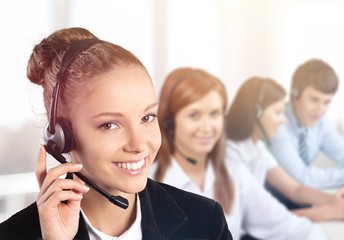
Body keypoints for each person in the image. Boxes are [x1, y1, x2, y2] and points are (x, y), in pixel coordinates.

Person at [0, 27, 232, 239]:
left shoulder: (205, 221)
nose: (139, 144)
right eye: (110, 125)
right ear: (61, 136)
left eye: (147, 118)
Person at [150, 67, 327, 240]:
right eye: (194, 115)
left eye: (214, 114)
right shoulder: (149, 183)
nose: (207, 127)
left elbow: (289, 226)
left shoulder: (233, 172)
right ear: (170, 121)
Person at [225, 76, 344, 222]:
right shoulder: (230, 154)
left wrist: (335, 201)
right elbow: (255, 221)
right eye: (277, 112)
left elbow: (295, 189)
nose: (284, 120)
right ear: (256, 113)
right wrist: (330, 211)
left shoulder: (257, 147)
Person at [268, 59, 344, 189]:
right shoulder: (277, 125)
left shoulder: (322, 122)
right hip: (271, 201)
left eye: (326, 102)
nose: (320, 110)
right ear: (295, 93)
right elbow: (303, 178)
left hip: (301, 199)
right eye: (314, 100)